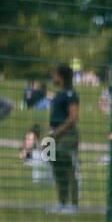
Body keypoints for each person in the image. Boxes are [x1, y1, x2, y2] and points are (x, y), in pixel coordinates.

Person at [47, 65, 79, 213]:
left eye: (54, 75)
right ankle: (61, 201)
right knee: (56, 167)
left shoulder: (71, 94)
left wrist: (57, 132)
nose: (53, 78)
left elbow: (72, 118)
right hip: (54, 133)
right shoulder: (59, 94)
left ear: (61, 77)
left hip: (66, 134)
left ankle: (73, 204)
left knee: (67, 167)